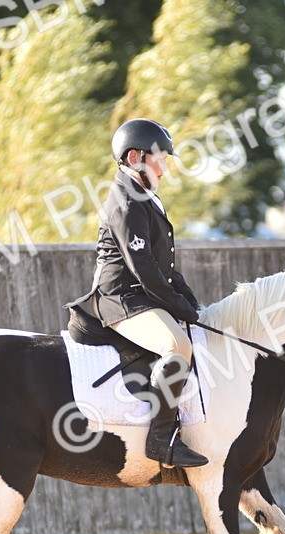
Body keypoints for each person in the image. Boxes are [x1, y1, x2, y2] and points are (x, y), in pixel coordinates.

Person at [66, 119, 209, 469]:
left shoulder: (145, 198)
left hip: (140, 297)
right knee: (177, 347)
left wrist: (190, 302)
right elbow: (144, 268)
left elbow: (166, 266)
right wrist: (176, 305)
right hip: (119, 300)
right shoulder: (125, 201)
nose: (164, 167)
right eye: (159, 159)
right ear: (134, 158)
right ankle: (162, 440)